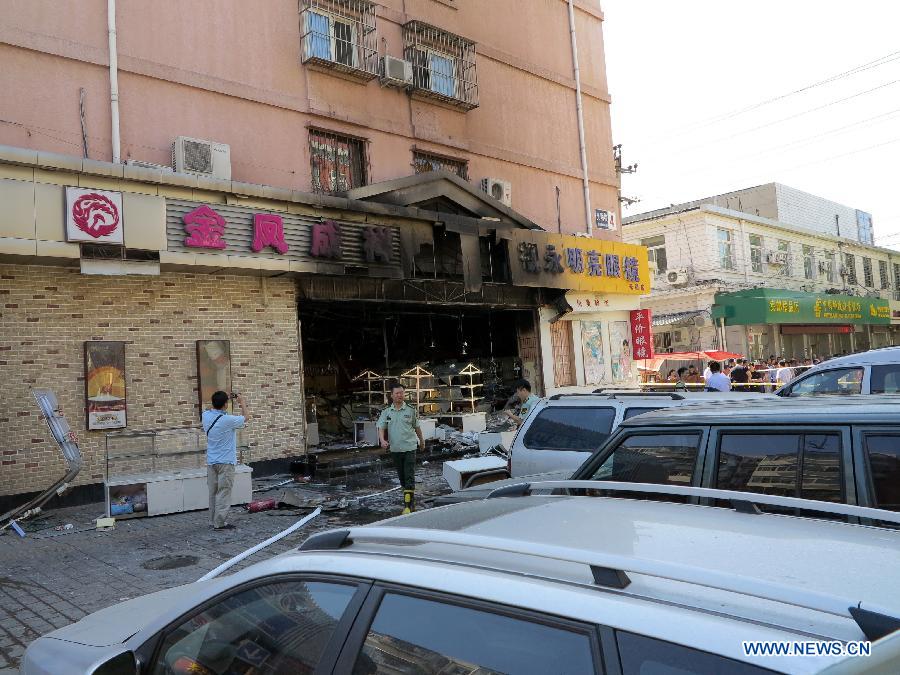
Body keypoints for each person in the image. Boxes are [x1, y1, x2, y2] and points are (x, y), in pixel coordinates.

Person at [203, 391, 249, 531]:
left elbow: (213, 409)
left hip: (212, 462)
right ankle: (220, 522)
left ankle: (212, 520)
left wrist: (224, 399)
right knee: (223, 492)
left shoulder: (205, 416)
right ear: (225, 405)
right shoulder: (227, 420)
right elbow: (246, 417)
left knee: (213, 492)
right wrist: (241, 402)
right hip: (225, 462)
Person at [377, 382, 424, 514]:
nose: (400, 395)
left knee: (409, 475)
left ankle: (407, 506)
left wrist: (422, 440)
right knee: (402, 477)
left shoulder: (410, 409)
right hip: (395, 449)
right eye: (397, 393)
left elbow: (417, 427)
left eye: (402, 393)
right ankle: (410, 501)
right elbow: (381, 427)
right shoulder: (387, 412)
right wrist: (382, 440)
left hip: (409, 447)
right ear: (391, 395)